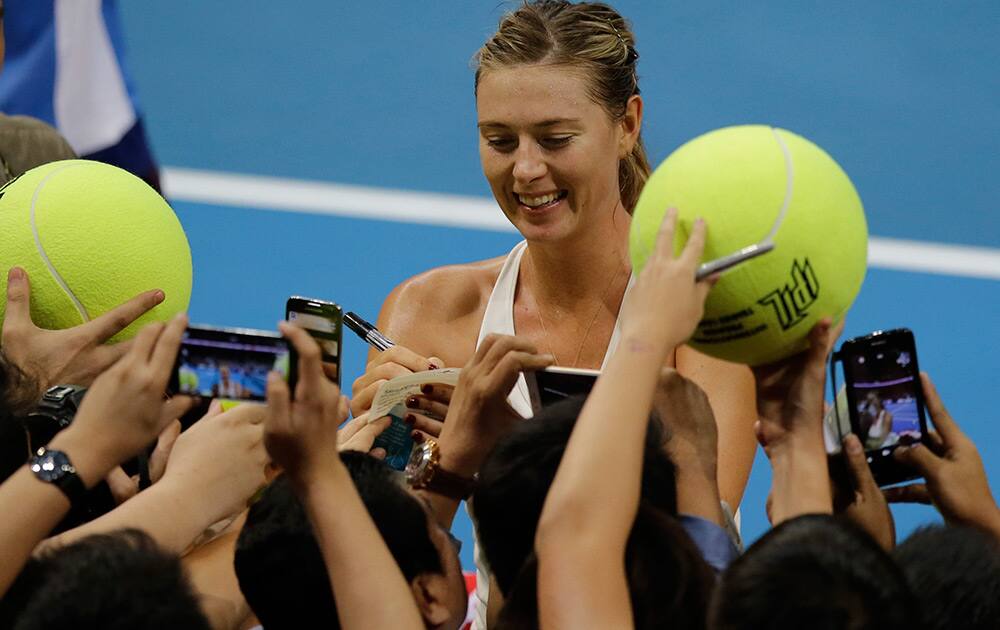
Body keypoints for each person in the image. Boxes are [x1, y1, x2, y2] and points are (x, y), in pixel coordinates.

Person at [350, 3, 757, 623]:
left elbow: (684, 553)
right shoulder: (429, 311)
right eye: (500, 140)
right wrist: (369, 462)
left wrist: (496, 450)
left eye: (555, 138)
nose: (526, 169)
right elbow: (395, 579)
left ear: (627, 124)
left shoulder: (698, 319)